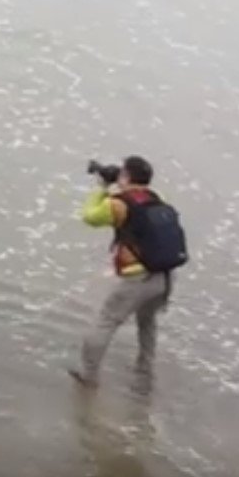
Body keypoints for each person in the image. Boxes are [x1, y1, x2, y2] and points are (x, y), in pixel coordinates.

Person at [70, 156, 176, 388]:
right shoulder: (156, 199)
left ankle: (88, 376)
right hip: (165, 276)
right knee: (147, 321)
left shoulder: (119, 204)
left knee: (106, 321)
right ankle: (145, 369)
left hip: (138, 278)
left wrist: (101, 188)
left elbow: (90, 217)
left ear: (126, 176)